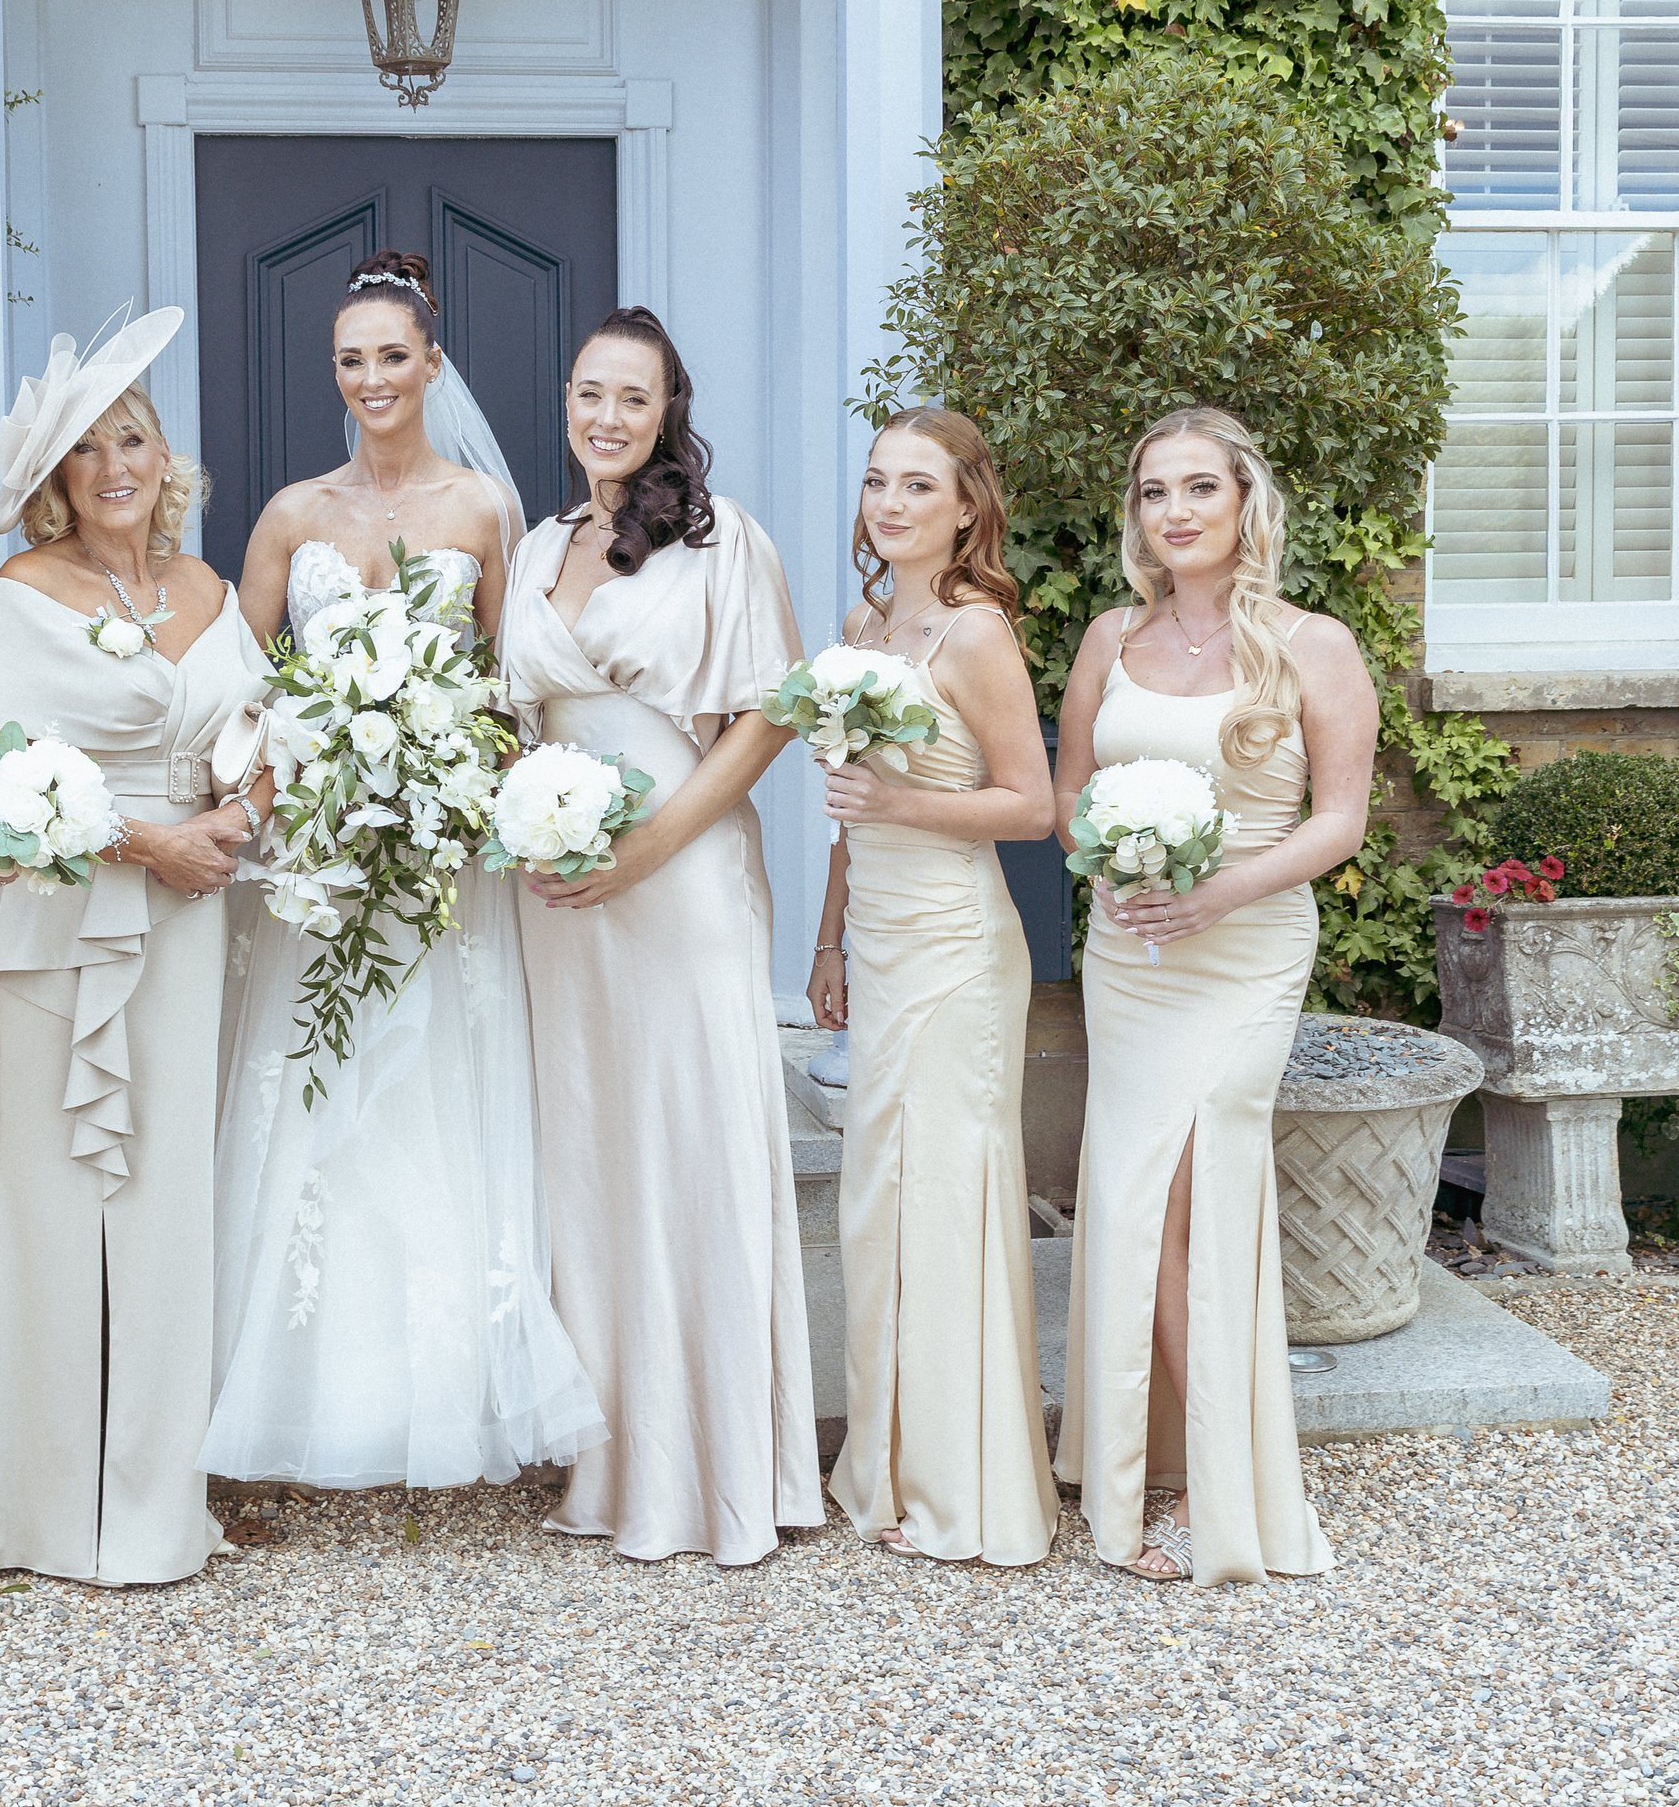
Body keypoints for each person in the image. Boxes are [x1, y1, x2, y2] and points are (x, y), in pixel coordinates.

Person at [204, 249, 603, 1490]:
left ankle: (440, 1395)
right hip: (320, 858)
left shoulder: (484, 511)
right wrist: (283, 771)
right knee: (319, 1095)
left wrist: (471, 781)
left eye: (392, 355)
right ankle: (300, 1398)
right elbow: (238, 686)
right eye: (350, 359)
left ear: (432, 363)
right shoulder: (290, 514)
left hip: (441, 861)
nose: (371, 377)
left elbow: (510, 688)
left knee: (436, 1092)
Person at [0, 309, 275, 1587]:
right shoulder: (21, 595)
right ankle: (37, 1510)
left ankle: (152, 1511)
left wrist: (241, 810)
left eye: (130, 439)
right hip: (61, 921)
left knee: (165, 1204)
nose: (113, 466)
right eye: (85, 449)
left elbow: (260, 730)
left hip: (192, 920)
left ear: (164, 456)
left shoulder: (205, 589)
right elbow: (1, 773)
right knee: (51, 1203)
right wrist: (154, 841)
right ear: (54, 477)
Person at [502, 305, 820, 1565]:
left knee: (691, 1140)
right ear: (566, 402)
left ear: (667, 409)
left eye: (632, 397)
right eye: (590, 392)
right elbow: (519, 717)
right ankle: (616, 1460)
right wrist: (527, 823)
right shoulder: (539, 546)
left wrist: (648, 845)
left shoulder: (719, 537)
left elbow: (767, 715)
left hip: (678, 875)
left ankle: (722, 1470)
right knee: (593, 1152)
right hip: (562, 896)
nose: (607, 417)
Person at [1052, 406, 1371, 1585]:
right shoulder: (1109, 638)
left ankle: (1217, 1483)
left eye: (1199, 487)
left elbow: (1338, 821)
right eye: (1153, 491)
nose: (1174, 511)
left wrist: (1218, 890)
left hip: (1245, 952)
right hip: (1130, 953)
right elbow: (1068, 796)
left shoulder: (1312, 644)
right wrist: (1106, 861)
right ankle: (1144, 1461)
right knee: (1133, 1194)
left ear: (1245, 502)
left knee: (1190, 1190)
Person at [808, 408, 1058, 1567]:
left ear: (965, 507)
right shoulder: (863, 625)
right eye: (877, 481)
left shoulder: (974, 632)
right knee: (879, 1201)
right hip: (877, 933)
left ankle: (967, 1483)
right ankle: (891, 1461)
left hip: (955, 943)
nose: (891, 503)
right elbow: (846, 811)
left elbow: (1031, 805)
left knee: (949, 1195)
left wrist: (899, 803)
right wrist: (826, 943)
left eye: (918, 484)